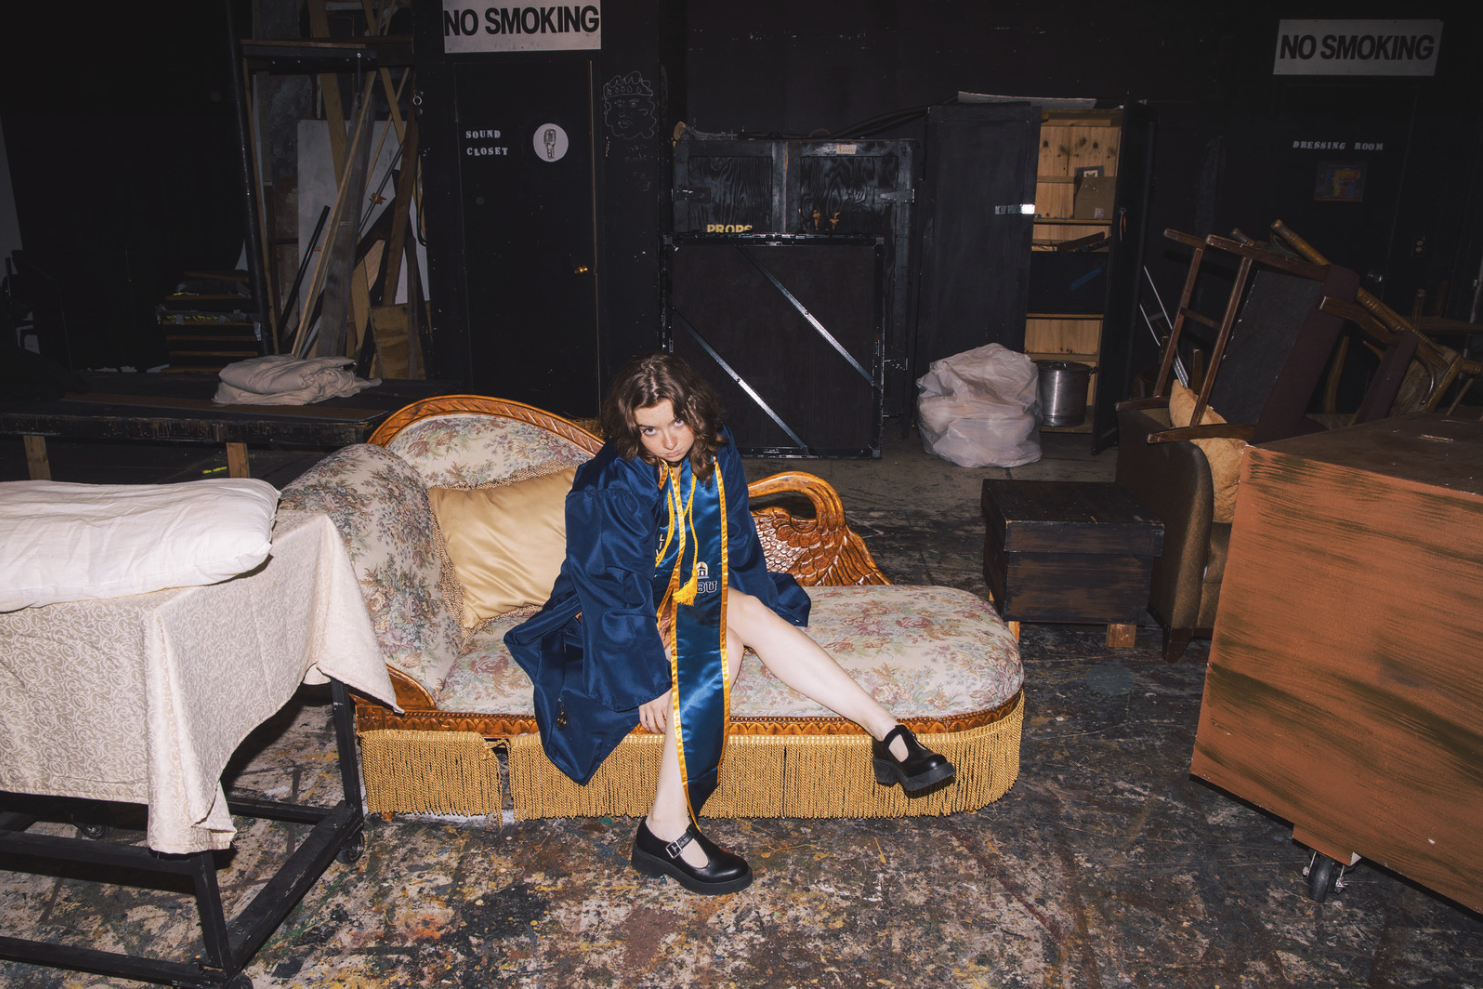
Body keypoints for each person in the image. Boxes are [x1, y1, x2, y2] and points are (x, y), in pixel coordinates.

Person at [506, 351, 953, 894]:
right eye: (650, 430)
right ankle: (663, 827)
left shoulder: (714, 449)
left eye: (678, 421)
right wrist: (642, 678)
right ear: (631, 429)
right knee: (728, 649)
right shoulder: (609, 482)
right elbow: (608, 588)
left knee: (744, 615)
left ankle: (888, 734)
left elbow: (736, 538)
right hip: (609, 619)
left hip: (692, 592)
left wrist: (765, 612)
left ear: (695, 410)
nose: (669, 441)